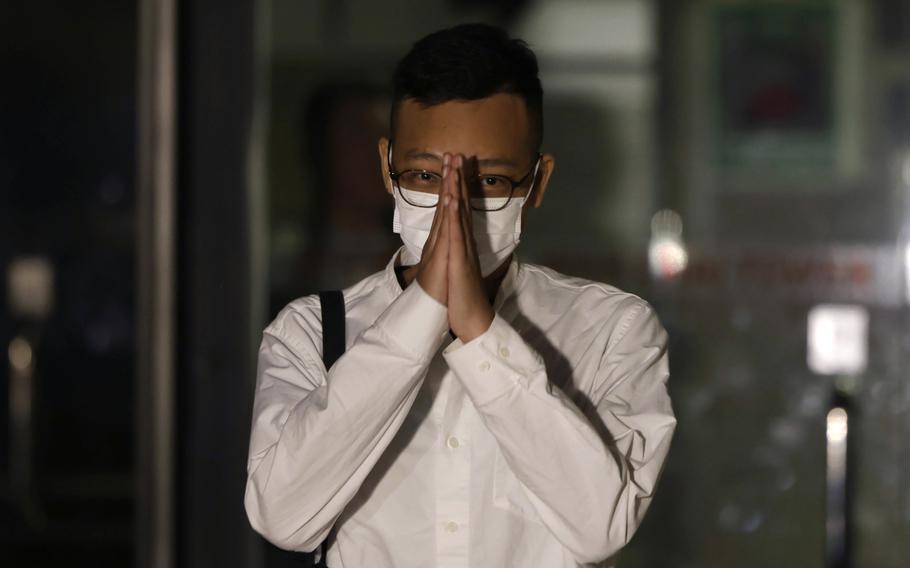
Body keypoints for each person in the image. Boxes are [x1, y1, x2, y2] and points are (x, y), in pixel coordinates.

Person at [244, 23, 676, 568]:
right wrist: (420, 314)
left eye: (489, 182)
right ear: (387, 168)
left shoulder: (610, 329)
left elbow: (601, 527)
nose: (454, 205)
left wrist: (482, 335)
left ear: (536, 184)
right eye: (427, 175)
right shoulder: (311, 331)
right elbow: (282, 518)